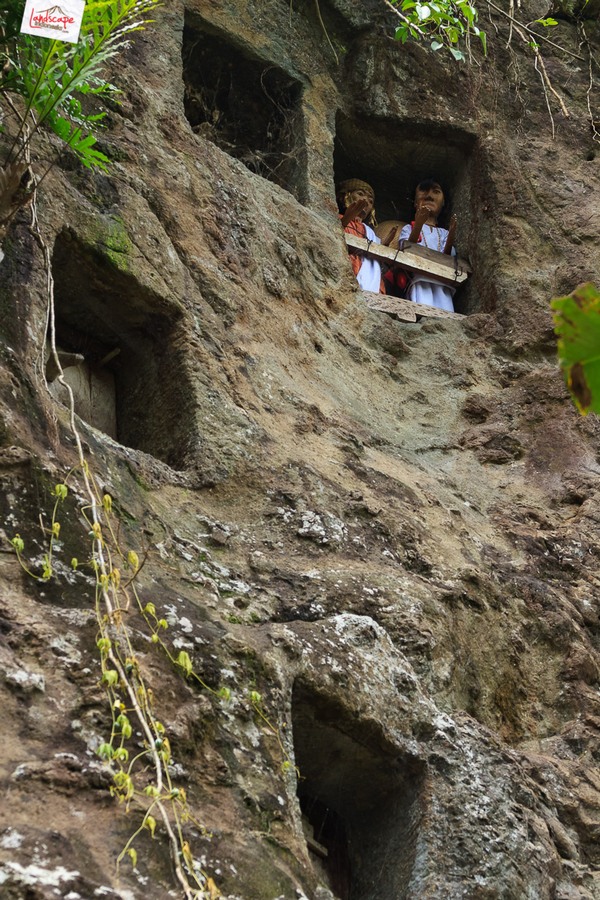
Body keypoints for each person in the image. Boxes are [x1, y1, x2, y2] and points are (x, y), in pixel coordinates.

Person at [399, 179, 458, 312]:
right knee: (422, 310)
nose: (429, 196)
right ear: (415, 202)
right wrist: (418, 224)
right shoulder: (409, 228)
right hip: (420, 279)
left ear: (443, 203)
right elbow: (405, 248)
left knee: (446, 313)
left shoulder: (443, 233)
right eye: (424, 191)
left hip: (443, 282)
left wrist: (450, 238)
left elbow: (449, 256)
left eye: (436, 192)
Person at [337, 179, 394, 294]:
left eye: (371, 200)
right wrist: (346, 219)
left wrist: (383, 246)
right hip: (349, 267)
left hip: (369, 276)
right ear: (345, 196)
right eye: (360, 194)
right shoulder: (335, 217)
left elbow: (380, 264)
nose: (366, 201)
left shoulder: (370, 232)